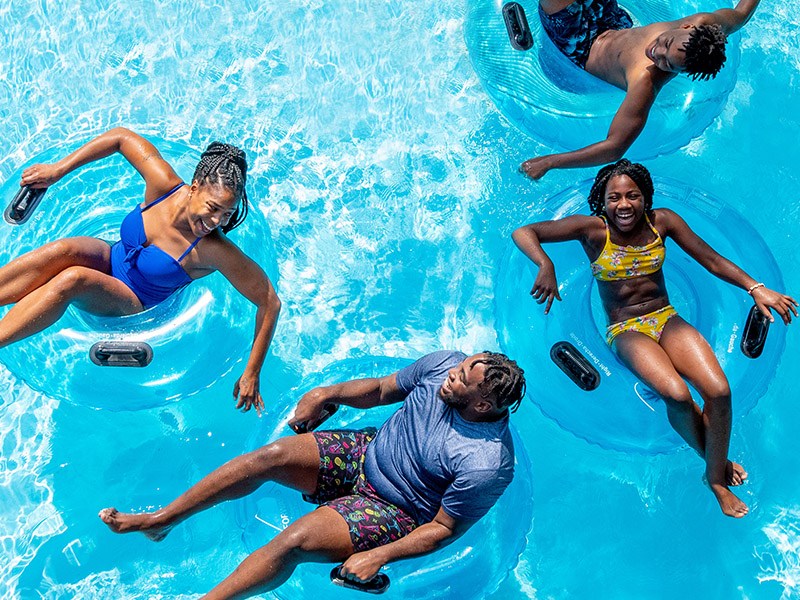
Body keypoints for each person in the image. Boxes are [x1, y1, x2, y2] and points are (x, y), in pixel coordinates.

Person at [98, 350, 526, 599]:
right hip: (367, 453)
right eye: (458, 367)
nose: (449, 375)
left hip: (396, 509)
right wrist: (327, 393)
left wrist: (381, 556)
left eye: (460, 380)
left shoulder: (486, 462)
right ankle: (159, 522)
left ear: (483, 405)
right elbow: (381, 389)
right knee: (269, 456)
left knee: (294, 541)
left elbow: (443, 529)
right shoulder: (444, 365)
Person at [512, 159, 796, 517]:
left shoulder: (663, 222)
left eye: (633, 195)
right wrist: (545, 264)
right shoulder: (592, 230)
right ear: (602, 201)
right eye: (614, 197)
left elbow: (710, 259)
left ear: (646, 198)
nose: (624, 204)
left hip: (666, 318)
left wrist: (756, 288)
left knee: (720, 392)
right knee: (676, 394)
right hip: (626, 329)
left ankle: (714, 473)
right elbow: (524, 232)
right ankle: (716, 476)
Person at [7, 127, 280, 413]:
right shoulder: (163, 186)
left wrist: (252, 372)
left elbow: (269, 302)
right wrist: (57, 171)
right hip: (113, 256)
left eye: (227, 213)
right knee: (65, 251)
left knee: (74, 279)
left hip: (134, 301)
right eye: (213, 207)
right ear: (195, 186)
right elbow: (120, 138)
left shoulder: (214, 250)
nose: (216, 221)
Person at [520, 0, 760, 180]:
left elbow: (614, 147)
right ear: (687, 26)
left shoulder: (644, 82)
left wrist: (549, 162)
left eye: (669, 64)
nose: (657, 54)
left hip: (579, 46)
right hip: (613, 20)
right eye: (666, 44)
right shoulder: (704, 24)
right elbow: (741, 15)